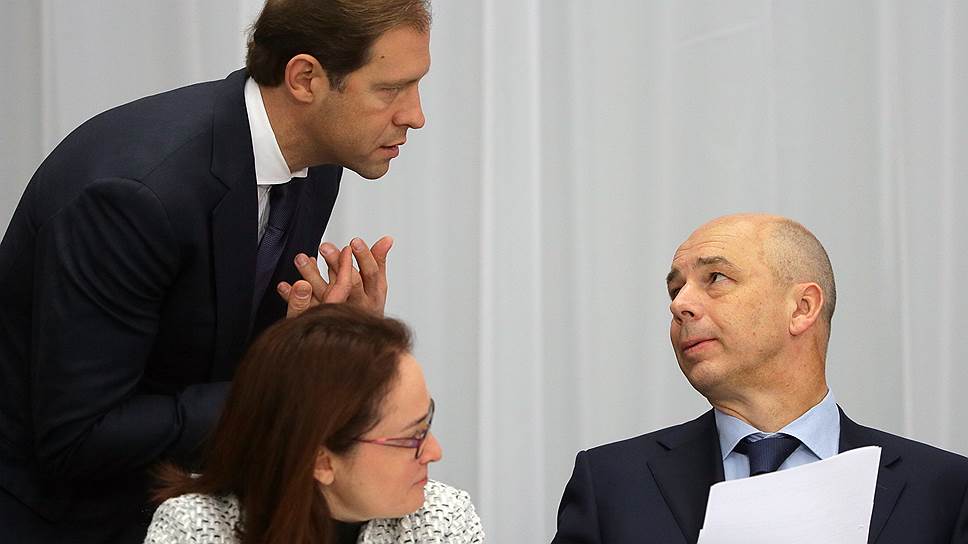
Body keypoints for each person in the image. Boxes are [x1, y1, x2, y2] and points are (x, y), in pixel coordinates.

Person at [0, 0, 432, 541]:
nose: (415, 115)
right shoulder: (136, 194)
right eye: (391, 89)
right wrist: (287, 383)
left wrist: (330, 345)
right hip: (53, 518)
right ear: (305, 79)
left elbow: (213, 344)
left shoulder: (318, 158)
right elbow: (81, 435)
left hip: (180, 506)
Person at [552, 213, 968, 544]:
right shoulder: (612, 483)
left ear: (802, 308)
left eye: (715, 278)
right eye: (675, 290)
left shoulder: (945, 489)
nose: (680, 305)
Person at [144, 304, 484, 544]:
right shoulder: (194, 529)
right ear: (321, 461)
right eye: (412, 437)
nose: (435, 451)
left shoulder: (441, 520)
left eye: (427, 422)